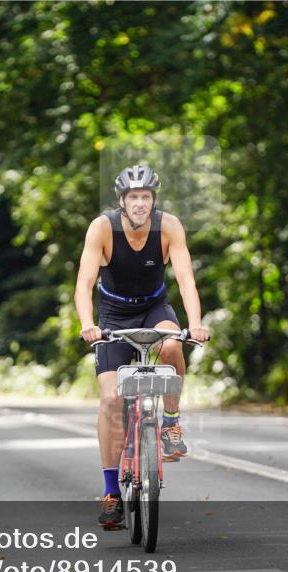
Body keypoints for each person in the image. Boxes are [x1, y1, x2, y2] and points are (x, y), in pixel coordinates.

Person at [75, 165, 210, 529]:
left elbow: (185, 280)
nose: (139, 203)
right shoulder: (102, 228)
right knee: (110, 400)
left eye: (145, 197)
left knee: (170, 346)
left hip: (154, 308)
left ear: (153, 201)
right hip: (114, 317)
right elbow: (84, 283)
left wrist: (194, 324)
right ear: (121, 201)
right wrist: (88, 324)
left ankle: (170, 423)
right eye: (132, 197)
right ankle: (111, 494)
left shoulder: (168, 226)